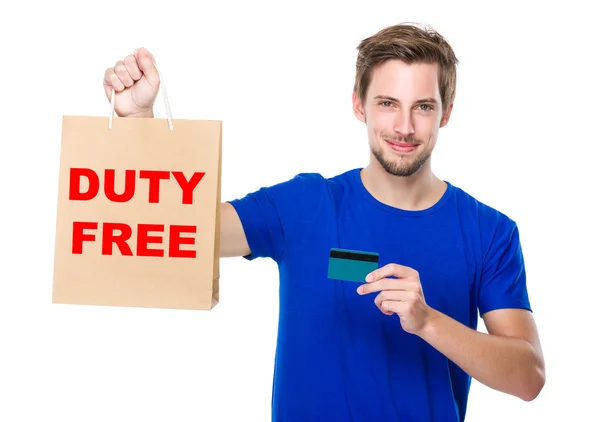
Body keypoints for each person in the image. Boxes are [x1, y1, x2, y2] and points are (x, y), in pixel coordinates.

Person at [103, 22, 545, 422]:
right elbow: (176, 232)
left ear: (446, 113)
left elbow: (528, 378)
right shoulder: (305, 204)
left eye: (423, 107)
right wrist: (137, 123)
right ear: (359, 105)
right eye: (388, 103)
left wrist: (429, 321)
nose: (404, 126)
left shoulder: (490, 232)